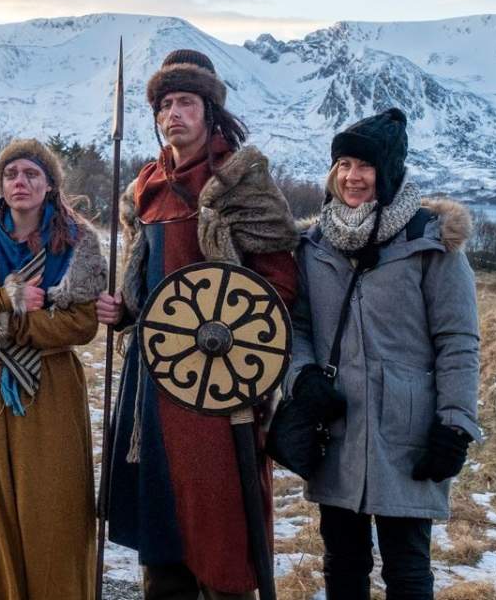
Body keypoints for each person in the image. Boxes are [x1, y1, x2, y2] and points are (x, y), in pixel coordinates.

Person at [98, 49, 300, 600]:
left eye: (185, 101)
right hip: (152, 378)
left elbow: (276, 288)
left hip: (217, 386)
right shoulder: (146, 187)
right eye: (165, 104)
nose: (173, 114)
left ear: (209, 110)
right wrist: (125, 311)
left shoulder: (241, 182)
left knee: (219, 527)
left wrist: (226, 338)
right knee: (161, 523)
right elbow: (147, 283)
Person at [288, 108, 481, 600]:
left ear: (389, 172)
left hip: (408, 430)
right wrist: (302, 377)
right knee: (342, 564)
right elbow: (297, 327)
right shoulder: (313, 244)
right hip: (337, 426)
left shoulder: (431, 243)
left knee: (408, 570)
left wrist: (455, 424)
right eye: (344, 164)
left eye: (366, 166)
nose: (352, 177)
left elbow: (458, 341)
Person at [0, 139, 105, 599]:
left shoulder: (78, 243)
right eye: (11, 174)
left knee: (54, 516)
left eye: (31, 174)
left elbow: (83, 322)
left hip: (49, 389)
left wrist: (12, 324)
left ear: (50, 185)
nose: (20, 182)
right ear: (1, 184)